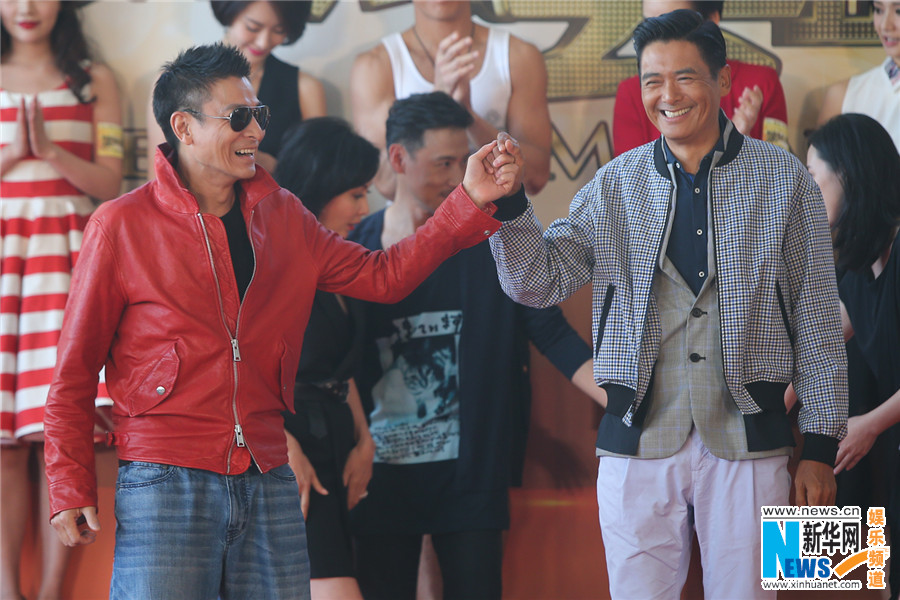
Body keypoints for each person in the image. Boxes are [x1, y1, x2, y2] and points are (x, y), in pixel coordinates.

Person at [41, 43, 520, 599]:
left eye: (259, 115)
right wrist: (69, 482)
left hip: (268, 474)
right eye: (237, 117)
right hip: (165, 476)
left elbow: (383, 276)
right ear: (183, 128)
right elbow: (75, 370)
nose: (256, 131)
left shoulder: (284, 214)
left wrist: (468, 200)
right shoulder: (120, 225)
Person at [488, 11, 847, 598]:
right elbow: (539, 282)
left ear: (722, 80)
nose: (668, 96)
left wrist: (822, 448)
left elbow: (818, 321)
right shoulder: (614, 184)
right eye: (652, 80)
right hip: (634, 441)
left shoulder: (785, 180)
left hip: (754, 440)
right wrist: (509, 209)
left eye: (685, 77)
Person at [347, 92, 604, 600]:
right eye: (443, 163)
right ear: (398, 158)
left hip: (472, 473)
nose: (457, 178)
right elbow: (333, 362)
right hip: (378, 474)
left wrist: (624, 397)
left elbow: (550, 331)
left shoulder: (490, 242)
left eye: (461, 161)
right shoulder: (355, 248)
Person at [0, 1, 123, 598]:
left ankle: (52, 593)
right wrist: (14, 152)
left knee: (63, 434)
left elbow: (111, 181)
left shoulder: (94, 80)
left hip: (70, 263)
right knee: (3, 444)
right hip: (6, 265)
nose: (26, 7)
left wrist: (50, 151)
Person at [274, 117, 378, 600]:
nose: (365, 208)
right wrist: (282, 449)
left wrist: (365, 441)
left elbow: (343, 370)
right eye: (355, 194)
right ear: (320, 185)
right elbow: (236, 370)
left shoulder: (345, 259)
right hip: (288, 445)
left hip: (339, 441)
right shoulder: (271, 259)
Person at [807, 113, 900, 600]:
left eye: (814, 180)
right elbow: (824, 345)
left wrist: (870, 424)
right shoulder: (859, 267)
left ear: (847, 175)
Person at [350, 0, 551, 199]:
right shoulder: (375, 66)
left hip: (497, 218)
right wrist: (437, 105)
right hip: (421, 220)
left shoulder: (518, 56)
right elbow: (386, 183)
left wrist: (468, 117)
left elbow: (536, 178)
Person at [146, 0, 325, 175]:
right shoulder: (175, 84)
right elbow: (159, 173)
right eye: (252, 27)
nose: (263, 42)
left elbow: (317, 179)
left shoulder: (305, 89)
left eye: (279, 30)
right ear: (229, 12)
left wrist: (270, 165)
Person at [613, 0, 789, 156]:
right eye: (649, 22)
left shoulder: (762, 82)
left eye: (675, 19)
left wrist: (739, 145)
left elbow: (779, 168)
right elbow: (632, 173)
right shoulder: (631, 92)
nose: (669, 97)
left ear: (711, 20)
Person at [818, 1, 900, 151]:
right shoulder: (843, 95)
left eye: (898, 11)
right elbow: (820, 164)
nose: (885, 25)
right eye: (878, 10)